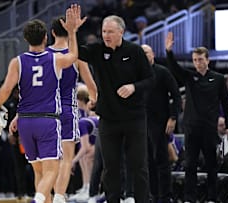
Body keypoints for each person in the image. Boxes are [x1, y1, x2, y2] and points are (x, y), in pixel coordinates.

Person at [0, 4, 84, 203]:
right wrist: (72, 32)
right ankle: (38, 200)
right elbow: (74, 56)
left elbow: (6, 89)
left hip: (25, 122)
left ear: (25, 39)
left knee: (39, 172)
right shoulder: (55, 59)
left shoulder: (17, 62)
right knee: (52, 170)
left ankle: (42, 199)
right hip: (47, 121)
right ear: (45, 38)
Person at [78, 15, 154, 203]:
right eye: (104, 31)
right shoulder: (97, 51)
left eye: (110, 31)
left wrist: (133, 87)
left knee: (139, 166)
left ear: (121, 31)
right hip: (108, 119)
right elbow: (75, 53)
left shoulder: (135, 51)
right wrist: (72, 32)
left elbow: (150, 79)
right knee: (110, 167)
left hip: (134, 118)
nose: (106, 35)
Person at [165, 32, 228, 203]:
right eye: (195, 60)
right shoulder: (189, 77)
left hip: (209, 128)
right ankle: (189, 199)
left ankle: (212, 198)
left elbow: (225, 101)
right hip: (192, 128)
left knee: (212, 166)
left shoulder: (218, 79)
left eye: (200, 59)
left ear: (208, 60)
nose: (197, 63)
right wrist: (169, 52)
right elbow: (174, 68)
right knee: (190, 166)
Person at [46, 16, 97, 203]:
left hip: (45, 112)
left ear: (52, 33)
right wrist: (93, 101)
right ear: (70, 31)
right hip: (67, 110)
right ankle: (59, 196)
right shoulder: (77, 56)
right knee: (67, 158)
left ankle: (51, 195)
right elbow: (91, 87)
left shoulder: (42, 55)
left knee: (50, 159)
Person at [141, 44, 181, 203]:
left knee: (161, 159)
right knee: (147, 160)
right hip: (141, 122)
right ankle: (153, 195)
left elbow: (176, 95)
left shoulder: (163, 72)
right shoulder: (136, 74)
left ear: (153, 54)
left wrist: (173, 117)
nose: (144, 55)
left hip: (160, 122)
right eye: (141, 52)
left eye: (146, 52)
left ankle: (166, 196)